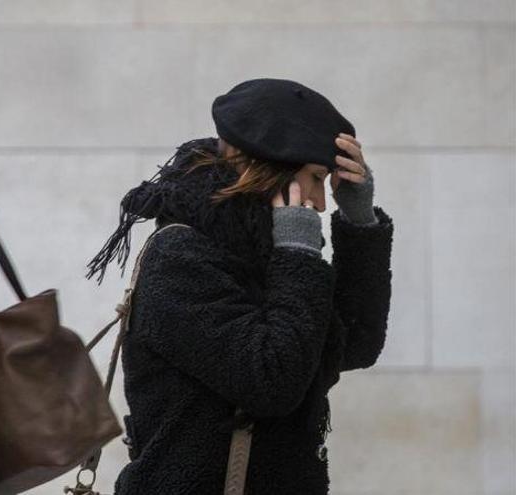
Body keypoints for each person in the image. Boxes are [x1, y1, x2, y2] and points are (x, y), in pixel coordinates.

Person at [87, 78, 394, 494]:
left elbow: (356, 343)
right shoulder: (181, 256)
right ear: (271, 171)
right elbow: (271, 381)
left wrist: (359, 225)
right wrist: (298, 257)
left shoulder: (275, 252)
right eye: (317, 178)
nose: (323, 202)